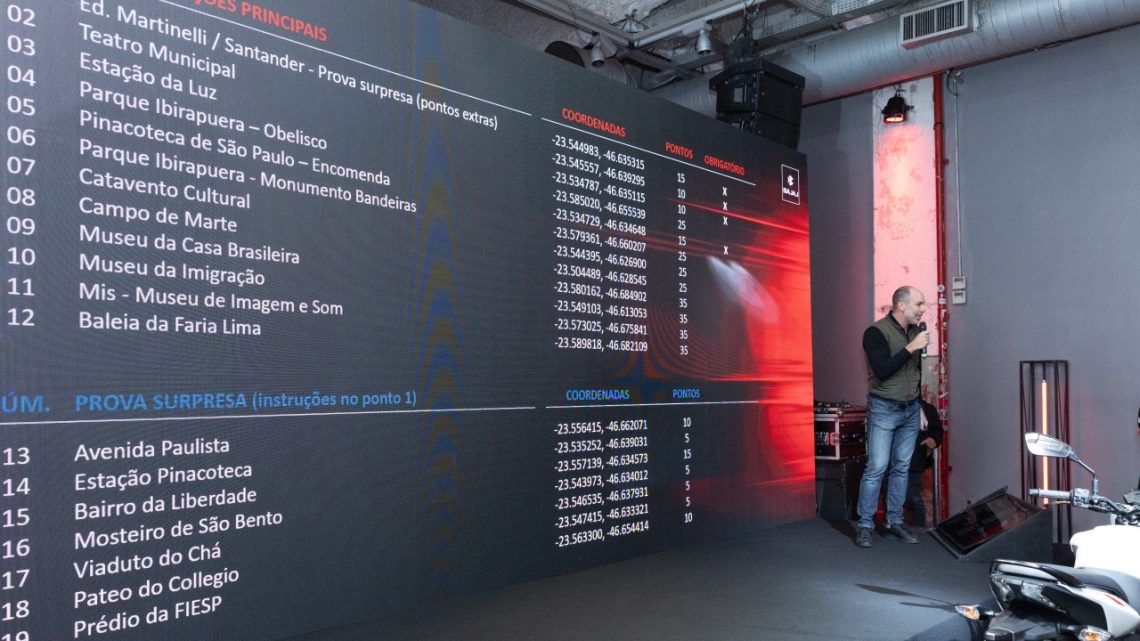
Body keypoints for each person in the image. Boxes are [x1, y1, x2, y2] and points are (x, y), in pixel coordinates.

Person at [853, 286, 929, 548]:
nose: (923, 309)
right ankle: (865, 525)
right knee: (877, 467)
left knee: (901, 467)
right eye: (918, 304)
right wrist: (911, 348)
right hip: (884, 408)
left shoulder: (915, 332)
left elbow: (915, 373)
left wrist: (919, 405)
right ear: (901, 305)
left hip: (910, 409)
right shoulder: (875, 333)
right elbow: (882, 370)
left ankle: (895, 521)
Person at [904, 399, 944, 528]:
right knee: (893, 499)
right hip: (893, 463)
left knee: (914, 499)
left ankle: (919, 531)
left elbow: (937, 431)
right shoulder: (891, 406)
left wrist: (933, 439)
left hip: (914, 462)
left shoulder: (928, 409)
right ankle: (893, 530)